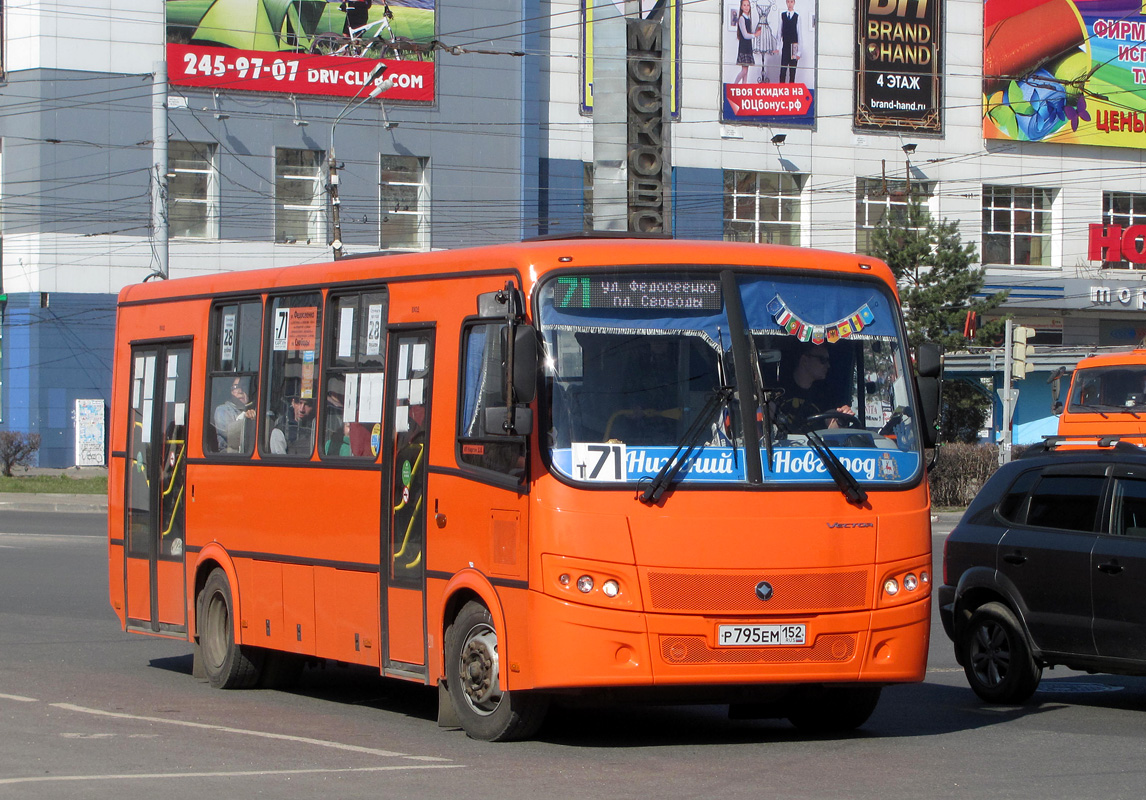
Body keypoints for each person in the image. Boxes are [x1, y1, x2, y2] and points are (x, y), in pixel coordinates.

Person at [777, 344, 853, 429]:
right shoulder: (777, 391)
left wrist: (841, 419)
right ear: (805, 360)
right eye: (823, 360)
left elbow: (831, 425)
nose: (828, 365)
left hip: (816, 442)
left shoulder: (825, 394)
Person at [213, 377, 256, 452]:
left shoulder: (255, 410)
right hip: (229, 456)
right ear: (230, 391)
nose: (240, 391)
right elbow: (229, 434)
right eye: (236, 387)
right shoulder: (222, 410)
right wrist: (245, 418)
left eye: (244, 386)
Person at [733, 0, 761, 85]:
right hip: (744, 46)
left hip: (748, 46)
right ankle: (735, 84)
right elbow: (745, 35)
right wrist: (755, 35)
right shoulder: (742, 18)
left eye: (748, 5)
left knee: (746, 71)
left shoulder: (748, 18)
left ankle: (744, 86)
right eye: (744, 5)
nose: (746, 7)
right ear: (741, 7)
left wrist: (755, 33)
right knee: (744, 71)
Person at [778, 0, 800, 83]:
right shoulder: (783, 15)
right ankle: (781, 91)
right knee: (783, 71)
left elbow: (799, 34)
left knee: (792, 71)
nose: (790, 4)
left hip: (794, 46)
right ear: (786, 3)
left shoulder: (797, 17)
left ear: (794, 3)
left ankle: (791, 92)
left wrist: (799, 52)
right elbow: (779, 32)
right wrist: (778, 46)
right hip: (785, 45)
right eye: (788, 2)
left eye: (791, 2)